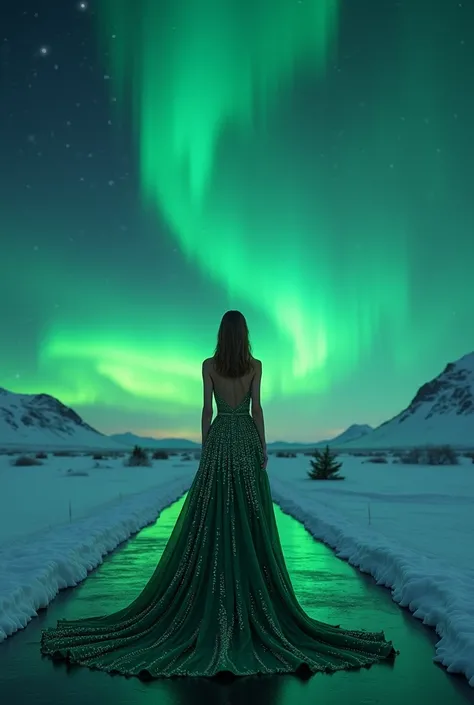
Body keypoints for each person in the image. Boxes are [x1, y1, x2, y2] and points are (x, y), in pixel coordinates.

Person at [40, 310, 396, 678]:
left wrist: (206, 447)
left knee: (213, 513)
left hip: (221, 440)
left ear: (220, 335)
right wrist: (262, 446)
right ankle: (251, 590)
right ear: (244, 335)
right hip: (244, 440)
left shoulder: (209, 364)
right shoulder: (255, 365)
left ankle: (211, 590)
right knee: (249, 514)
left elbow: (206, 411)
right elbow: (257, 408)